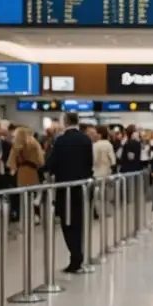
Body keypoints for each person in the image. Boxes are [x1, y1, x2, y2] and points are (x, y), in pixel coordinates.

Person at [45, 112, 94, 273]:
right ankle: (78, 256)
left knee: (67, 223)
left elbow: (52, 163)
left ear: (65, 122)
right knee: (79, 222)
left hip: (64, 188)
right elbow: (89, 163)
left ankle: (75, 256)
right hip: (82, 188)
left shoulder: (60, 141)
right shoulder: (86, 140)